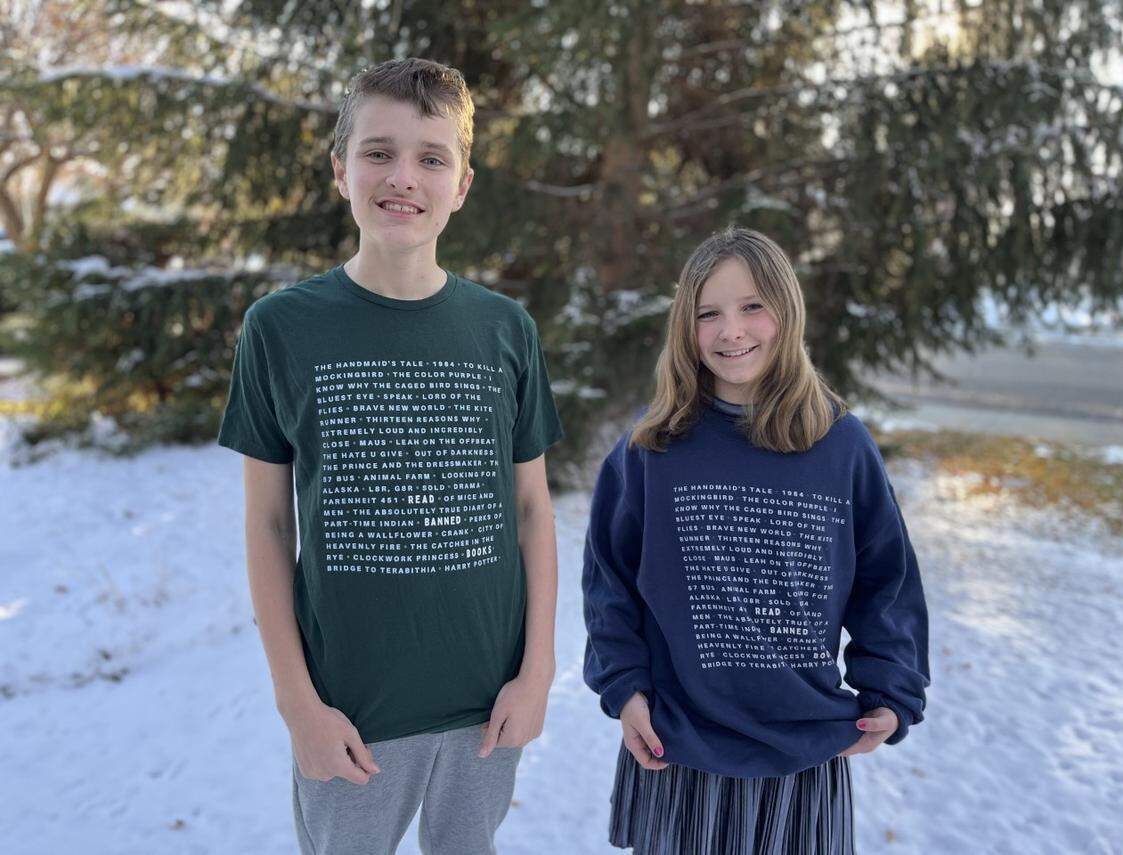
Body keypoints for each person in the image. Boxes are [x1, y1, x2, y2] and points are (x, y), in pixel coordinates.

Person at [217, 58, 563, 855]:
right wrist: (297, 703)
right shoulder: (281, 327)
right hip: (350, 712)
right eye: (378, 151)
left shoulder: (505, 330)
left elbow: (533, 509)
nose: (403, 176)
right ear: (340, 170)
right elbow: (269, 523)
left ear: (463, 183)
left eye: (431, 157)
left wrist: (538, 668)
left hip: (486, 705)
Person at [582, 226, 930, 854]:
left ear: (785, 313)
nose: (731, 332)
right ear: (686, 328)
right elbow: (610, 580)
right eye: (707, 314)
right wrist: (625, 689)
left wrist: (892, 690)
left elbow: (887, 580)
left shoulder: (840, 444)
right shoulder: (653, 448)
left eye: (751, 308)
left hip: (802, 748)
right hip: (679, 741)